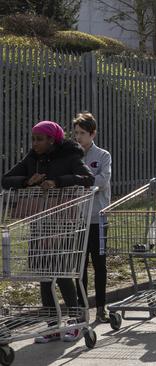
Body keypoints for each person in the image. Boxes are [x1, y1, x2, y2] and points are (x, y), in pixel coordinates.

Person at [2, 120, 95, 343]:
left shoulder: (70, 156)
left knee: (62, 272)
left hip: (63, 222)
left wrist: (57, 182)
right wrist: (26, 181)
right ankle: (53, 325)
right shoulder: (32, 159)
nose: (35, 144)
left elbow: (88, 179)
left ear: (52, 140)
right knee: (44, 273)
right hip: (41, 222)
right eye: (33, 139)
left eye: (40, 139)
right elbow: (5, 180)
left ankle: (75, 320)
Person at [72, 112, 112, 323]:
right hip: (79, 219)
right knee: (80, 266)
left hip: (99, 218)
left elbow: (103, 180)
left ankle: (102, 308)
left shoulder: (103, 155)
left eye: (82, 133)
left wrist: (85, 183)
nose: (78, 137)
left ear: (92, 133)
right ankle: (82, 309)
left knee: (100, 265)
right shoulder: (73, 156)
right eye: (76, 133)